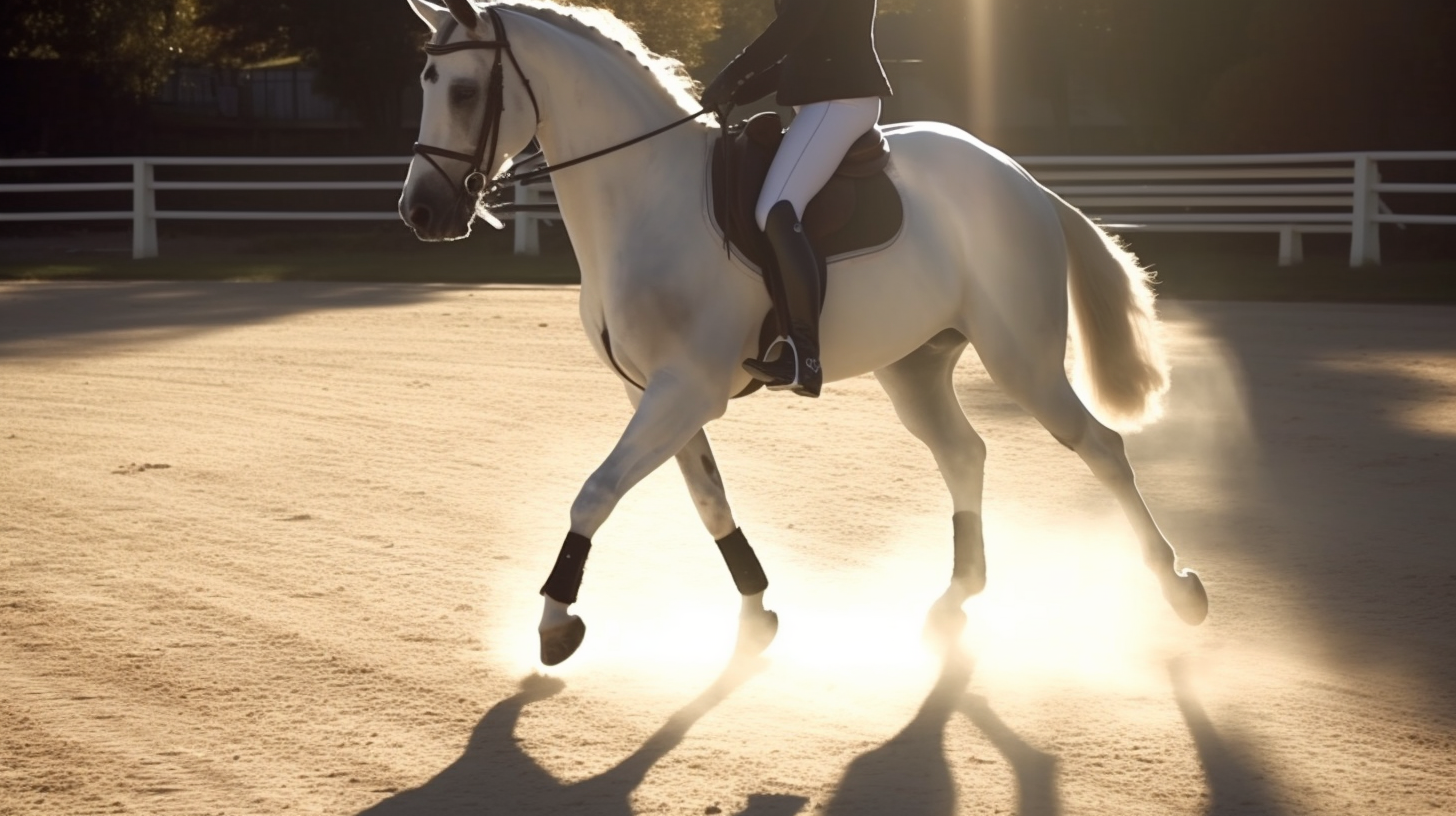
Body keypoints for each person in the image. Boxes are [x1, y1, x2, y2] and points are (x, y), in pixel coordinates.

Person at [700, 0, 892, 398]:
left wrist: (731, 76)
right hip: (823, 101)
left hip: (841, 102)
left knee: (776, 208)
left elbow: (792, 30)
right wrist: (739, 88)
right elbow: (802, 49)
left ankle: (803, 355)